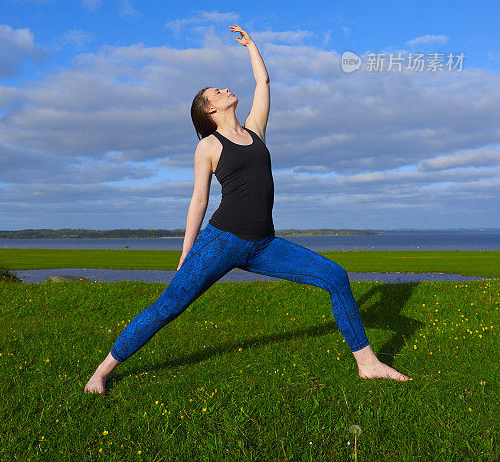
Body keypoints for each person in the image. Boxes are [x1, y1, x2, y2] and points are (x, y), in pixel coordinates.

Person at [85, 24, 411, 393]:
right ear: (210, 108)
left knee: (335, 276)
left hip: (265, 244)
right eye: (217, 92)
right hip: (221, 241)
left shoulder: (256, 130)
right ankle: (102, 371)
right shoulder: (208, 145)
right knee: (168, 306)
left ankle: (367, 363)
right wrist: (186, 247)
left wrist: (251, 46)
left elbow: (263, 84)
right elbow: (199, 200)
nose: (226, 90)